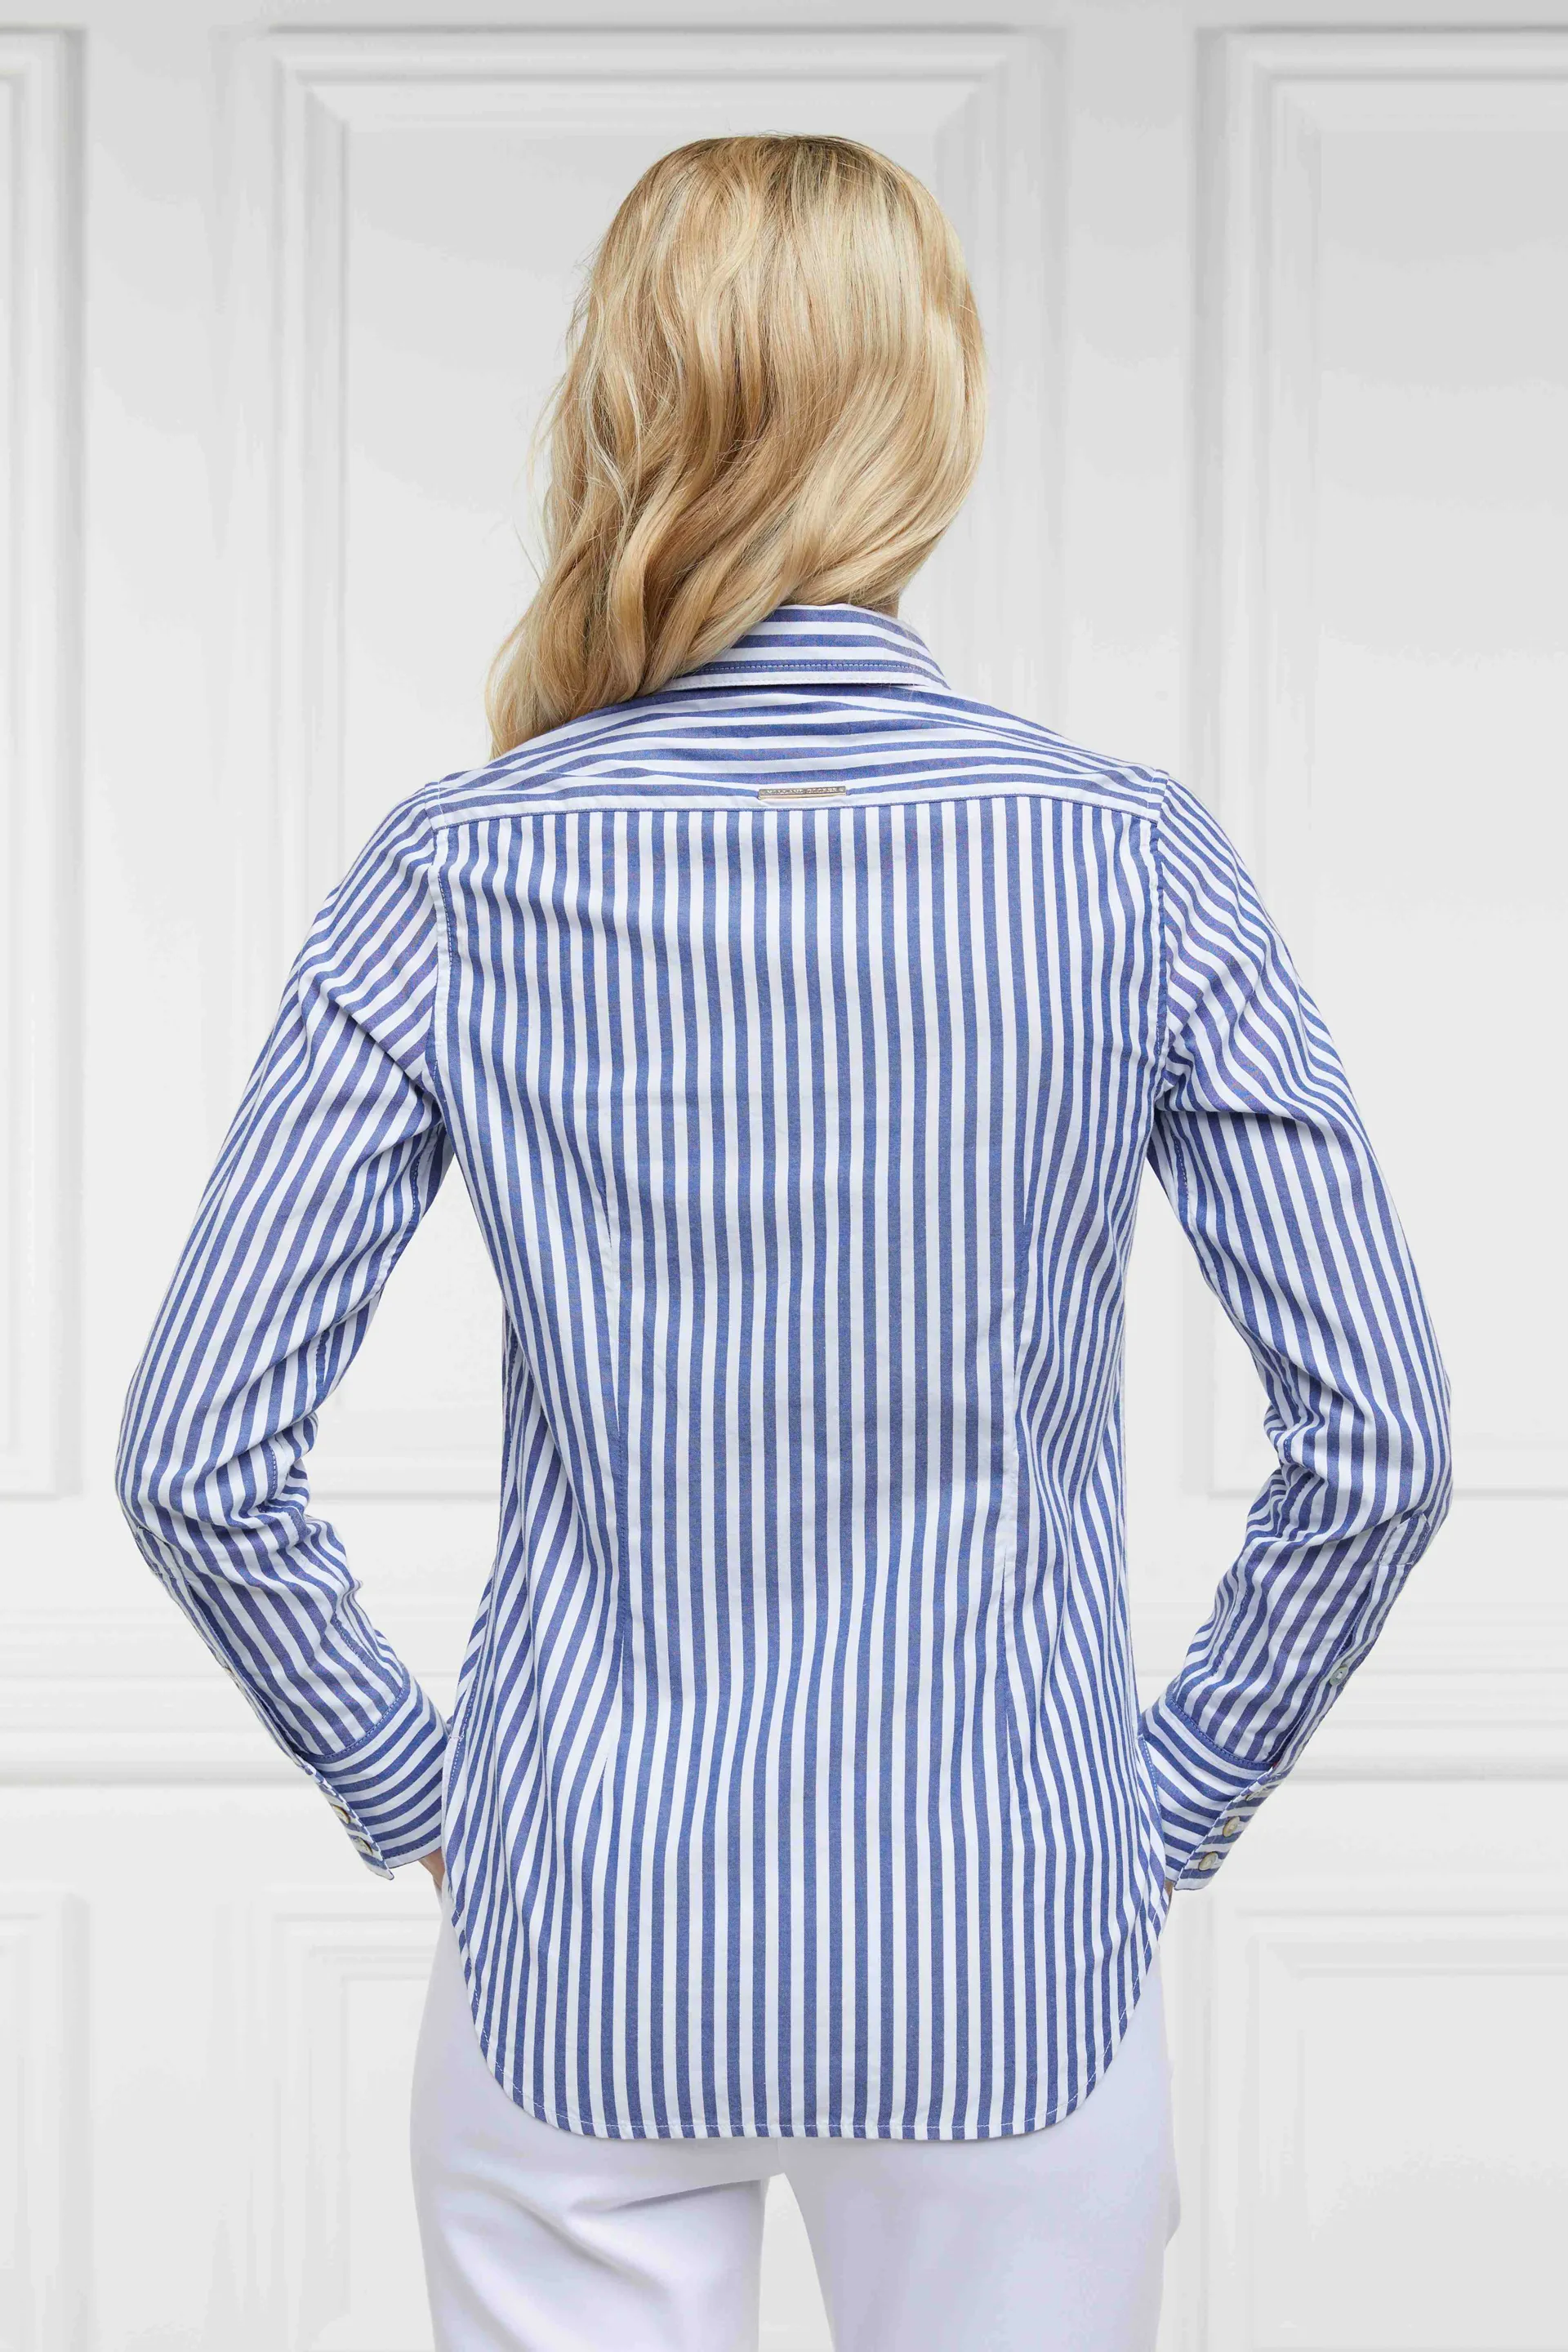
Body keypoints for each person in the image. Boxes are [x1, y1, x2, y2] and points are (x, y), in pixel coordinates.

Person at [115, 133, 1452, 2352]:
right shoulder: (1132, 864)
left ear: (623, 404)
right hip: (1011, 1955)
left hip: (583, 1952)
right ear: (935, 414)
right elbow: (1381, 1440)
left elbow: (192, 1457)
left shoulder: (459, 874)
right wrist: (1163, 1810)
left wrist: (426, 1800)